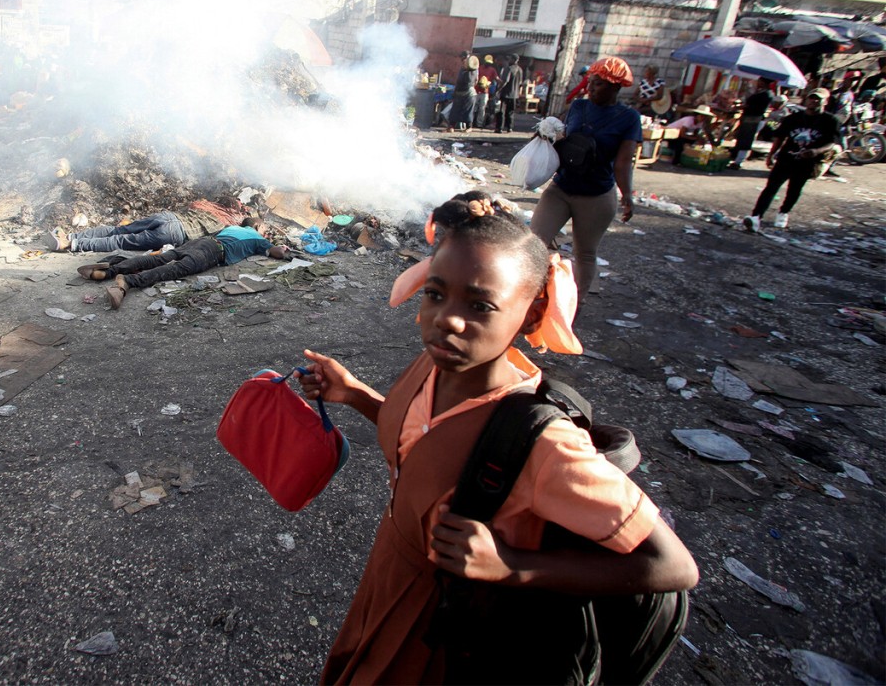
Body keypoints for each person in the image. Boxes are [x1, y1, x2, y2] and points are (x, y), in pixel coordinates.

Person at [298, 191, 698, 684]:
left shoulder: (543, 443)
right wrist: (356, 394)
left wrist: (510, 565)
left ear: (529, 316)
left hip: (446, 632)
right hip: (389, 579)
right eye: (436, 293)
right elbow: (424, 448)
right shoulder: (432, 367)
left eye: (481, 304)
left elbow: (673, 566)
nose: (447, 319)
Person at [529, 56, 640, 304]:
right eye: (591, 81)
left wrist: (628, 197)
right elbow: (566, 140)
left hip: (596, 196)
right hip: (562, 188)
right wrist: (546, 136)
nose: (590, 87)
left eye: (598, 83)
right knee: (534, 244)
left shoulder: (628, 118)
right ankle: (526, 297)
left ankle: (571, 308)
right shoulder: (579, 107)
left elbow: (623, 162)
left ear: (615, 86)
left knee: (585, 254)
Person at [82, 218, 290, 309]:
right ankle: (127, 282)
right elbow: (278, 253)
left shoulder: (231, 228)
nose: (265, 233)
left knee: (161, 258)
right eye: (264, 228)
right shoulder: (256, 236)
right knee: (178, 269)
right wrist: (281, 246)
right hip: (214, 251)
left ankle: (110, 270)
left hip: (201, 242)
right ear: (257, 225)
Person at [743, 89, 841, 232]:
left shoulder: (830, 121)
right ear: (806, 100)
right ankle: (756, 216)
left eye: (818, 99)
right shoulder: (793, 118)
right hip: (786, 157)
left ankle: (783, 212)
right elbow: (780, 137)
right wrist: (771, 155)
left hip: (807, 161)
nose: (813, 101)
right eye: (811, 98)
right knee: (771, 187)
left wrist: (816, 151)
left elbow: (832, 142)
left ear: (825, 102)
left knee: (794, 189)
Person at [47, 204, 243, 253]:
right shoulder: (225, 227)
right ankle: (71, 244)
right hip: (175, 233)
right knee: (120, 242)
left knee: (119, 231)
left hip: (168, 217)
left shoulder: (209, 211)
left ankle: (71, 234)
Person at [728, 78, 774, 169]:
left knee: (746, 139)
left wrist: (741, 106)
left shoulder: (765, 95)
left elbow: (754, 106)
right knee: (742, 137)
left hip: (753, 118)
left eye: (760, 81)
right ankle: (736, 158)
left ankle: (738, 161)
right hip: (750, 117)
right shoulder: (762, 93)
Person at [494, 55, 523, 133]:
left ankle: (499, 128)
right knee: (510, 112)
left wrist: (498, 90)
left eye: (510, 59)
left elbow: (505, 81)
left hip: (506, 94)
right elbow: (520, 83)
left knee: (501, 111)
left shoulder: (509, 68)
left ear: (513, 59)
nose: (508, 60)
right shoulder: (520, 70)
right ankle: (509, 128)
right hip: (515, 95)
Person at [450, 51, 477, 132]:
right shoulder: (462, 69)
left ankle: (469, 127)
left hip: (469, 93)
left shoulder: (473, 69)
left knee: (468, 111)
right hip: (459, 92)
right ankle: (451, 126)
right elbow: (458, 81)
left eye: (465, 58)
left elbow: (472, 80)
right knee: (455, 110)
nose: (463, 60)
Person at [477, 55, 499, 127]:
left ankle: (479, 123)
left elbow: (496, 78)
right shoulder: (479, 68)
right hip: (476, 90)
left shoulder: (492, 70)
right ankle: (470, 123)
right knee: (474, 107)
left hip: (485, 92)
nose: (488, 64)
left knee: (482, 108)